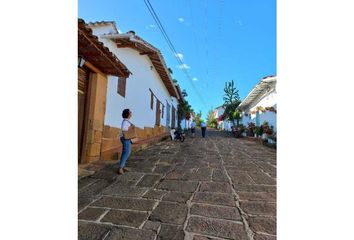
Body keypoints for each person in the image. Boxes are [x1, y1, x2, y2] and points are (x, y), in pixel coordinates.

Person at [118, 109, 133, 175]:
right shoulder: (125, 122)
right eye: (130, 112)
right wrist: (131, 129)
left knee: (125, 152)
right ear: (128, 114)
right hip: (125, 138)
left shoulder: (127, 121)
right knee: (127, 152)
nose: (131, 113)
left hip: (126, 138)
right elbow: (124, 130)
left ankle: (123, 166)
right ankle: (120, 168)